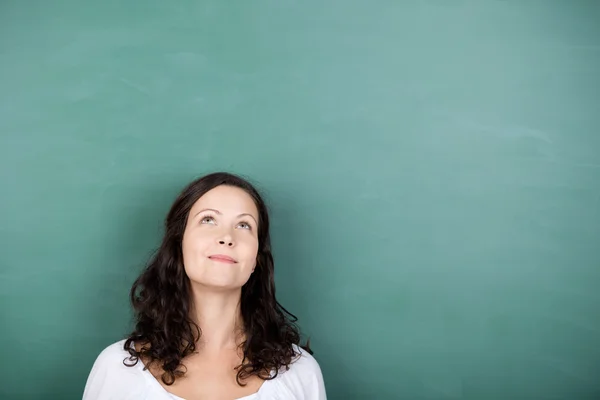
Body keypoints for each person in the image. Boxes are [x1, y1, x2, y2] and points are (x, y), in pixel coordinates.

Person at [83, 172, 326, 399]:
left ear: (256, 260)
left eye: (244, 225)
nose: (227, 237)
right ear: (179, 245)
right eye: (208, 219)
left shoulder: (300, 372)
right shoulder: (116, 368)